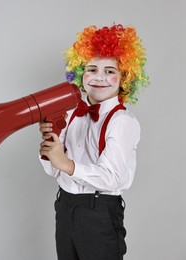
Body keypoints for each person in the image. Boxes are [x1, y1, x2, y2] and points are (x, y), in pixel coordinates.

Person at [39, 24, 149, 260]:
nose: (100, 77)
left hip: (99, 213)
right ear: (80, 74)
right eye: (92, 69)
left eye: (110, 71)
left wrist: (67, 163)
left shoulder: (122, 121)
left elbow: (112, 178)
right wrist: (50, 150)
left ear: (125, 78)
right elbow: (54, 171)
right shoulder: (70, 114)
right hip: (66, 207)